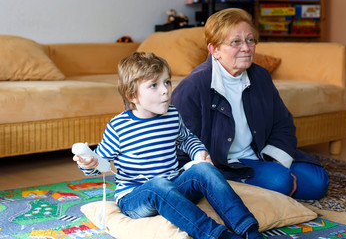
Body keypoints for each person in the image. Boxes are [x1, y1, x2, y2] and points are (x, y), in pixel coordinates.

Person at [73, 52, 264, 239]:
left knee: (204, 170)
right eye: (154, 85)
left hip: (174, 188)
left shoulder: (172, 115)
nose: (165, 90)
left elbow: (186, 139)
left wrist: (199, 152)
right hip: (136, 199)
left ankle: (248, 229)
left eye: (167, 82)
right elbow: (100, 163)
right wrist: (88, 164)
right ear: (133, 96)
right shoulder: (118, 126)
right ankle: (215, 234)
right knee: (158, 185)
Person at [171, 8, 329, 200]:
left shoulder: (260, 76)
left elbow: (283, 123)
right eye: (236, 42)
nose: (246, 48)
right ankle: (238, 186)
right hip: (224, 165)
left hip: (261, 156)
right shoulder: (193, 87)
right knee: (281, 182)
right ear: (214, 50)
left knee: (318, 182)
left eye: (250, 40)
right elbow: (179, 143)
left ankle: (263, 184)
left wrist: (277, 162)